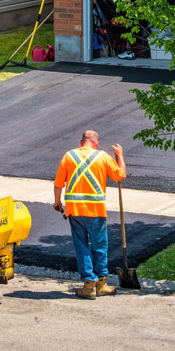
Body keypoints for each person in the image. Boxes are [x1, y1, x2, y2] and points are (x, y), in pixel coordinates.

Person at [53, 129, 126, 300]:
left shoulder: (69, 156)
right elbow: (120, 176)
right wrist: (120, 155)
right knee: (100, 246)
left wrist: (57, 202)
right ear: (96, 143)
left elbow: (58, 184)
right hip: (96, 212)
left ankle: (88, 286)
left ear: (81, 142)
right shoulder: (104, 157)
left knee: (82, 247)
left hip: (75, 211)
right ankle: (101, 283)